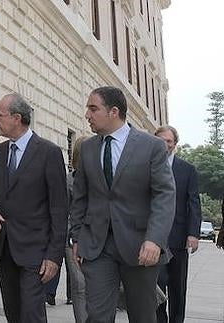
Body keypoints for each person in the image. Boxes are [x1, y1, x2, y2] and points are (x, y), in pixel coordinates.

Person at [70, 86, 176, 323]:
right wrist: (77, 237)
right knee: (96, 315)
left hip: (140, 247)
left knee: (142, 316)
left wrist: (154, 239)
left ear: (114, 111)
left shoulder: (152, 146)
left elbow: (164, 195)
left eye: (93, 108)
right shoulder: (87, 148)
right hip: (98, 247)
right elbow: (80, 197)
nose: (87, 115)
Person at [0, 93, 69, 323]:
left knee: (32, 315)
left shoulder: (49, 152)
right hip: (4, 249)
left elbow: (59, 208)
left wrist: (54, 256)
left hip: (35, 252)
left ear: (17, 118)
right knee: (14, 314)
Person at [154, 125, 201, 323]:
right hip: (154, 238)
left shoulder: (187, 170)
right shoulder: (147, 166)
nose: (165, 145)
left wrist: (193, 234)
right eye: (161, 141)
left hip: (179, 237)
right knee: (157, 286)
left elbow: (193, 203)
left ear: (175, 144)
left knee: (177, 287)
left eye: (168, 141)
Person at [64, 136, 89, 323]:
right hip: (72, 239)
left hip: (98, 239)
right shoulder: (68, 180)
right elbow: (63, 211)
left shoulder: (103, 178)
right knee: (79, 285)